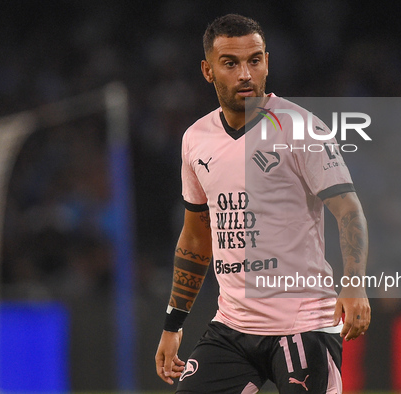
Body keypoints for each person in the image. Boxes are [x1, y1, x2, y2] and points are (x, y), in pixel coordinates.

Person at [155, 14, 370, 394]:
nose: (245, 74)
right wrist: (173, 324)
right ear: (208, 70)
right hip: (233, 326)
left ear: (267, 62)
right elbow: (196, 237)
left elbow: (349, 209)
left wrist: (353, 284)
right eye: (230, 63)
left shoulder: (301, 127)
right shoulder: (195, 140)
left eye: (254, 60)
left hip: (303, 324)